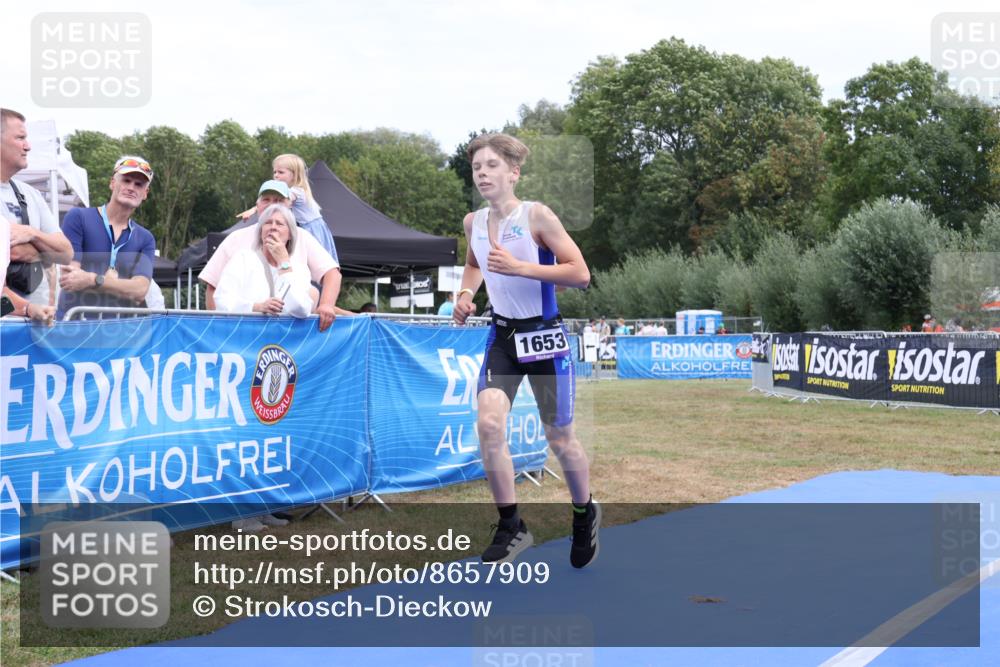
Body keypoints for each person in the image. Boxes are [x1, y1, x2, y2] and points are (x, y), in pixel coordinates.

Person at [453, 132, 599, 569]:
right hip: (502, 338)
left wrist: (522, 267)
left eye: (492, 165)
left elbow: (580, 273)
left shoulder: (537, 217)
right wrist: (465, 292)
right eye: (477, 167)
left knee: (559, 437)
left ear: (513, 173)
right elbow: (475, 264)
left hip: (544, 339)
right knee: (490, 423)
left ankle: (583, 510)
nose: (483, 173)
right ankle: (511, 523)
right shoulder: (472, 222)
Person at [201, 180, 343, 330]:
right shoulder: (237, 241)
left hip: (286, 337)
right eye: (266, 200)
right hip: (242, 332)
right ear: (257, 205)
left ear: (289, 205)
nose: (272, 205)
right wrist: (217, 327)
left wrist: (326, 305)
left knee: (312, 293)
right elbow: (214, 287)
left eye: (278, 200)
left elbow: (331, 274)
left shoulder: (302, 240)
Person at [57, 156, 157, 319]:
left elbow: (140, 291)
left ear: (145, 193)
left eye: (139, 184)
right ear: (112, 183)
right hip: (75, 327)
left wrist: (94, 279)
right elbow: (71, 279)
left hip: (118, 333)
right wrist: (121, 285)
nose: (131, 188)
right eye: (126, 180)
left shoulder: (145, 238)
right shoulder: (79, 217)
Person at [1, 108, 73, 313]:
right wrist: (45, 252)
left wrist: (31, 234)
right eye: (20, 137)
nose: (28, 146)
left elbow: (66, 253)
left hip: (35, 325)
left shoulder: (30, 194)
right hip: (9, 324)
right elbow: (12, 251)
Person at [214, 204, 316, 316]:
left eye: (279, 224)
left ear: (290, 235)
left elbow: (301, 309)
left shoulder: (299, 268)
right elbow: (222, 301)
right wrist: (256, 307)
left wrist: (284, 263)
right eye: (268, 223)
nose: (273, 227)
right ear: (261, 232)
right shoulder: (243, 259)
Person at [239, 154, 339, 264]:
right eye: (275, 172)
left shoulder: (297, 191)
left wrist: (254, 210)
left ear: (294, 175)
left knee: (315, 258)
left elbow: (281, 200)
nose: (276, 175)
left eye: (281, 172)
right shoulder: (292, 190)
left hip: (312, 228)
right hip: (306, 226)